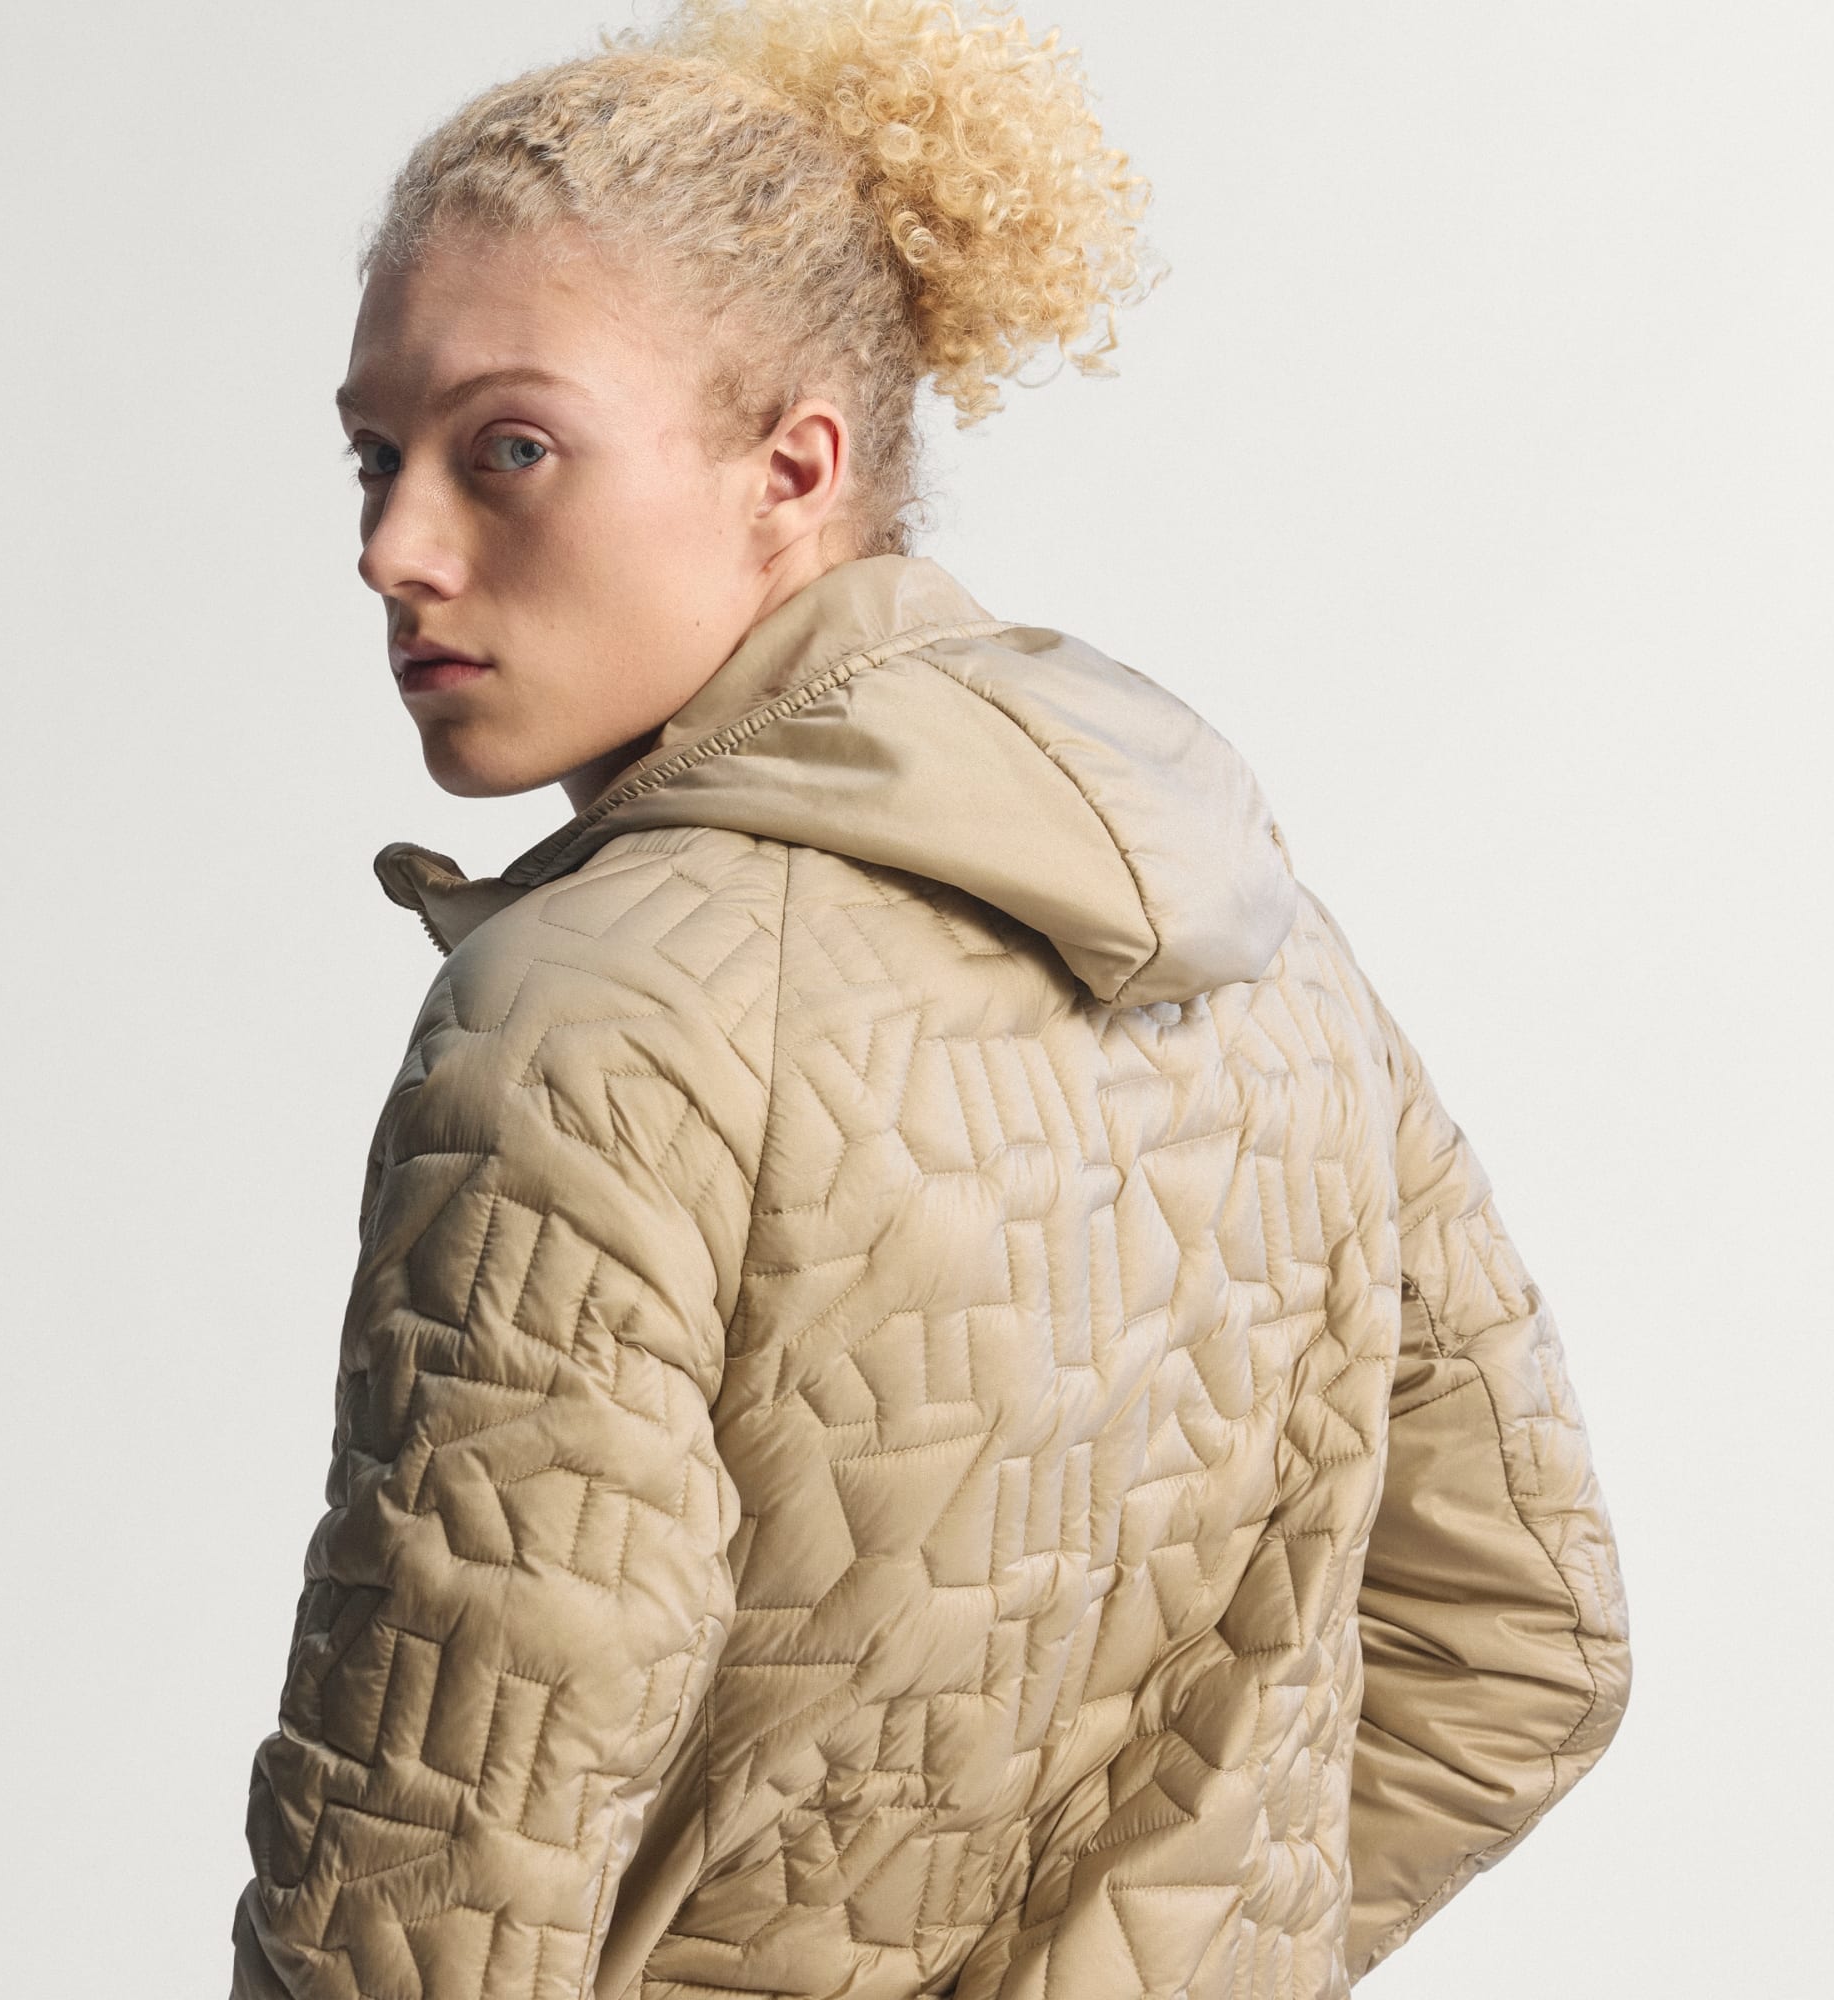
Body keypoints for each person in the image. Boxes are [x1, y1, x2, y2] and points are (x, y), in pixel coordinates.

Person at [228, 3, 1632, 1995]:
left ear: (791, 466)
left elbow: (428, 1907)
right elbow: (1521, 1642)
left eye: (508, 449)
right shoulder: (1254, 928)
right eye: (376, 456)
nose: (395, 548)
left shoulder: (589, 1028)